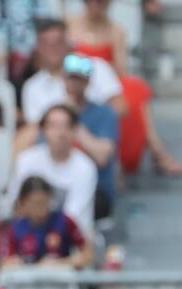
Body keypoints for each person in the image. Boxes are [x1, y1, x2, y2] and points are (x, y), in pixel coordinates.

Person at [67, 0, 182, 174]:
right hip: (76, 80)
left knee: (137, 90)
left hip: (104, 81)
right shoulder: (70, 24)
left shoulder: (116, 30)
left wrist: (103, 75)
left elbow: (121, 70)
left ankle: (157, 151)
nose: (98, 6)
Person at [7, 104, 99, 237]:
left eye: (66, 126)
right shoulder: (26, 160)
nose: (60, 133)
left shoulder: (85, 167)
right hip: (28, 236)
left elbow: (74, 216)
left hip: (69, 240)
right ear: (43, 130)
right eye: (53, 126)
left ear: (74, 131)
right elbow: (15, 201)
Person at [20, 19, 122, 125]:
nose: (53, 48)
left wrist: (86, 108)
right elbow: (35, 128)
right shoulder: (32, 86)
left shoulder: (93, 66)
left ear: (68, 43)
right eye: (46, 43)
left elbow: (120, 109)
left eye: (58, 42)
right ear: (38, 47)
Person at [62, 54, 118, 217]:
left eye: (79, 79)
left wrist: (71, 119)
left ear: (88, 81)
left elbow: (102, 157)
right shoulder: (52, 113)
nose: (75, 84)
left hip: (96, 190)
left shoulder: (105, 114)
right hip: (59, 185)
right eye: (71, 78)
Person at [2, 175, 92, 268]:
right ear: (24, 203)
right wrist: (18, 263)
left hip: (60, 278)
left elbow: (87, 255)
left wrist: (61, 263)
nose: (40, 208)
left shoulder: (64, 221)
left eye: (44, 202)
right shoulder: (15, 228)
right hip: (26, 279)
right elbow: (5, 261)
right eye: (35, 203)